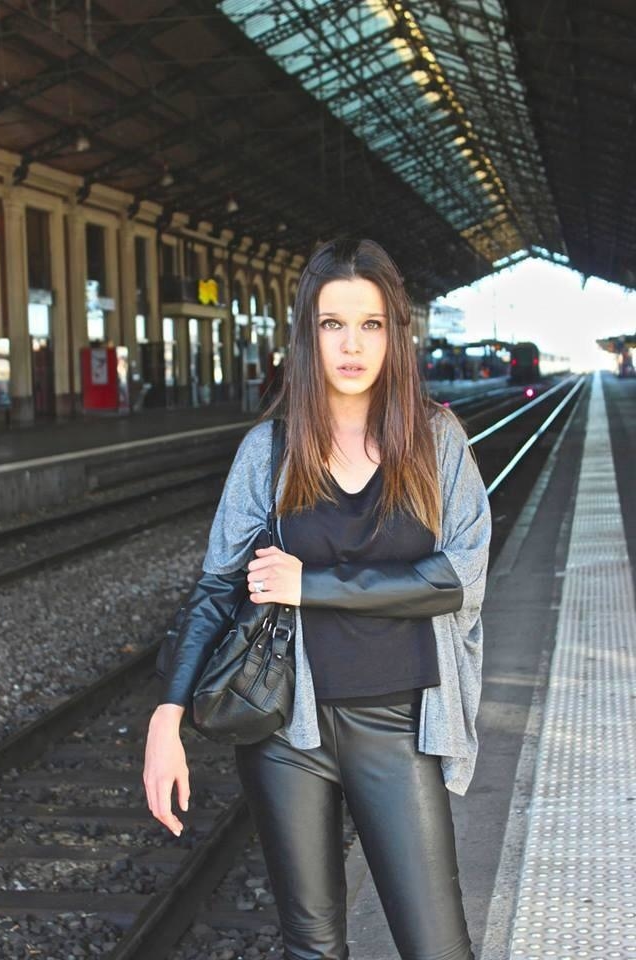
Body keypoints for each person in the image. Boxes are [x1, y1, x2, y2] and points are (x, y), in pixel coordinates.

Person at [144, 237, 491, 960]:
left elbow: (459, 581)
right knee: (312, 945)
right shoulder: (270, 450)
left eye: (370, 324)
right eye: (333, 324)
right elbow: (216, 586)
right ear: (308, 334)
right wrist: (166, 714)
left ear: (395, 334)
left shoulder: (436, 442)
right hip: (286, 734)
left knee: (438, 946)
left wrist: (311, 585)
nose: (352, 345)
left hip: (398, 726)